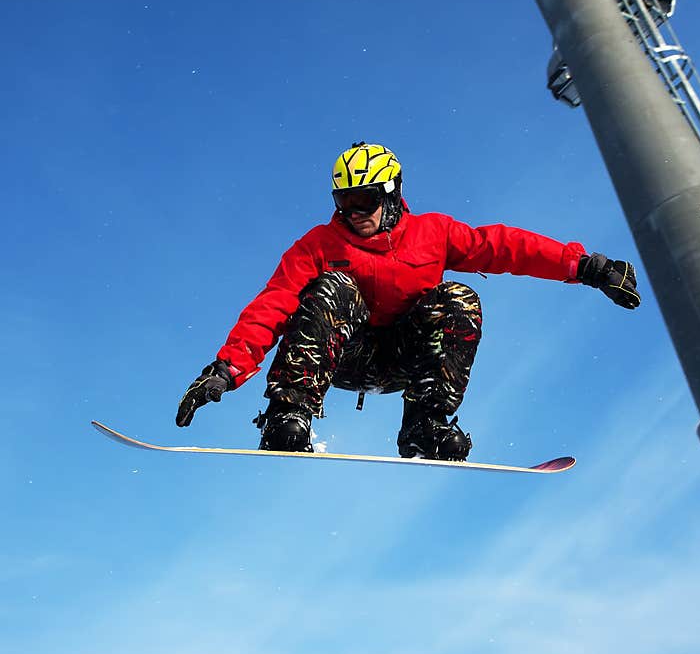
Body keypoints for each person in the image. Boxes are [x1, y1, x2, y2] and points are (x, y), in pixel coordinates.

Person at [175, 142, 640, 460]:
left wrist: (586, 267)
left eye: (366, 200)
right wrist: (224, 370)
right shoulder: (319, 243)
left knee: (457, 297)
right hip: (341, 357)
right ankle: (289, 414)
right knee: (332, 287)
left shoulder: (431, 233)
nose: (354, 214)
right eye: (344, 202)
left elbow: (504, 247)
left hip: (407, 361)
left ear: (392, 193)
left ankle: (425, 426)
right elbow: (273, 303)